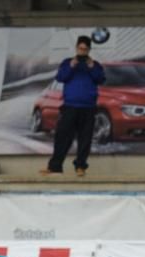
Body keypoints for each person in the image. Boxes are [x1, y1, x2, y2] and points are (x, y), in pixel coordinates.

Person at [39, 35, 105, 177]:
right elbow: (61, 77)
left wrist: (92, 67)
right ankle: (55, 167)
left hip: (88, 107)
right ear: (76, 48)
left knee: (85, 139)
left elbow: (100, 79)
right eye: (80, 48)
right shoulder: (67, 62)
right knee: (62, 137)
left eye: (85, 49)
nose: (82, 51)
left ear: (89, 50)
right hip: (70, 106)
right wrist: (72, 65)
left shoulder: (95, 65)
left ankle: (80, 166)